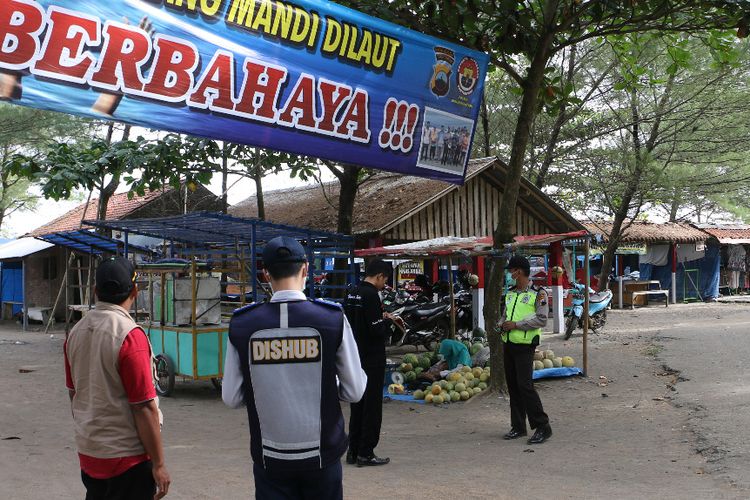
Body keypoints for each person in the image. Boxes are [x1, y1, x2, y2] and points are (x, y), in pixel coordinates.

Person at [222, 236, 366, 499]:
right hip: (323, 455)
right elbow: (355, 391)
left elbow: (231, 397)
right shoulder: (331, 318)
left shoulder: (243, 324)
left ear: (266, 274)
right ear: (306, 269)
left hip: (270, 458)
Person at [64, 256, 170, 500]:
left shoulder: (75, 333)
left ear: (95, 292)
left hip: (90, 452)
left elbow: (74, 393)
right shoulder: (129, 336)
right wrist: (159, 464)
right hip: (127, 459)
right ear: (134, 290)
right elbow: (143, 407)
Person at [344, 259, 393, 467]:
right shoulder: (371, 295)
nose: (385, 284)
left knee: (357, 405)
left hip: (354, 357)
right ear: (379, 276)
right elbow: (376, 330)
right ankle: (366, 452)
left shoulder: (352, 292)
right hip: (372, 359)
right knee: (372, 407)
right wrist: (387, 321)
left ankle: (353, 450)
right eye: (385, 280)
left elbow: (352, 321)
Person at [499, 255, 552, 445]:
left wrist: (516, 325)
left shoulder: (539, 293)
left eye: (511, 270)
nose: (509, 274)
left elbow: (541, 319)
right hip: (509, 344)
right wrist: (502, 325)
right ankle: (518, 427)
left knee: (525, 386)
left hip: (525, 346)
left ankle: (543, 426)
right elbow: (505, 315)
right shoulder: (511, 293)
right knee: (513, 386)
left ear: (518, 271)